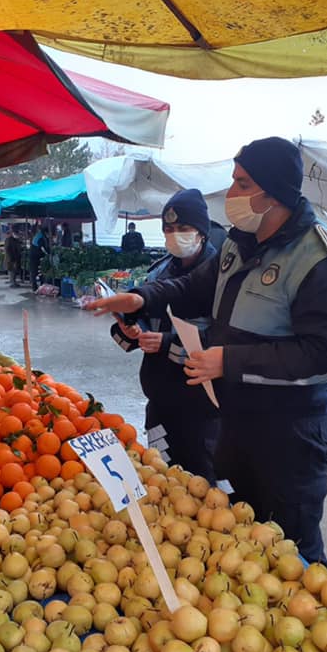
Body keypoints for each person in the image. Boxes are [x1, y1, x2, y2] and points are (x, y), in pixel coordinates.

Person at [90, 137, 327, 564]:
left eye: (242, 183)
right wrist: (141, 299)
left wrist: (228, 359)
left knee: (291, 550)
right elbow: (193, 289)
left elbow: (324, 353)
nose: (231, 195)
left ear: (274, 193)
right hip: (233, 424)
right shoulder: (237, 245)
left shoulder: (321, 260)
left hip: (287, 437)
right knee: (235, 536)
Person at [110, 189, 220, 481]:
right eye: (168, 229)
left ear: (201, 232)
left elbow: (223, 339)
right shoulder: (158, 272)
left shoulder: (220, 278)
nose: (175, 235)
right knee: (163, 478)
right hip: (159, 401)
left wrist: (166, 344)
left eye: (183, 229)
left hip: (202, 408)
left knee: (203, 487)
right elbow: (141, 325)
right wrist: (130, 330)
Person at [29, 222, 50, 292]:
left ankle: (40, 285)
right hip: (34, 255)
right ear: (46, 232)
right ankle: (34, 287)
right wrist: (49, 253)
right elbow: (43, 247)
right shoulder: (40, 237)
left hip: (36, 254)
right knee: (34, 271)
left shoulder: (41, 235)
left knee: (38, 271)